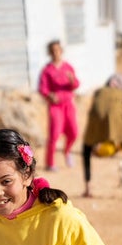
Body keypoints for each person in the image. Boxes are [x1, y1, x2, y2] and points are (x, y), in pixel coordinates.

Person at [81, 74, 122, 201]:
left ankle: (88, 188)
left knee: (86, 148)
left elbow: (93, 107)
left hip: (95, 117)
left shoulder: (99, 91)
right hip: (115, 116)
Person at [37, 39, 80, 171]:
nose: (56, 53)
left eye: (58, 50)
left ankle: (67, 151)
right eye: (53, 51)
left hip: (68, 104)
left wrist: (72, 80)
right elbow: (42, 89)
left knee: (74, 132)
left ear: (61, 51)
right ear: (50, 53)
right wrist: (50, 95)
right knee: (54, 134)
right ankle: (50, 163)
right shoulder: (47, 70)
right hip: (55, 106)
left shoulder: (68, 67)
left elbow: (76, 84)